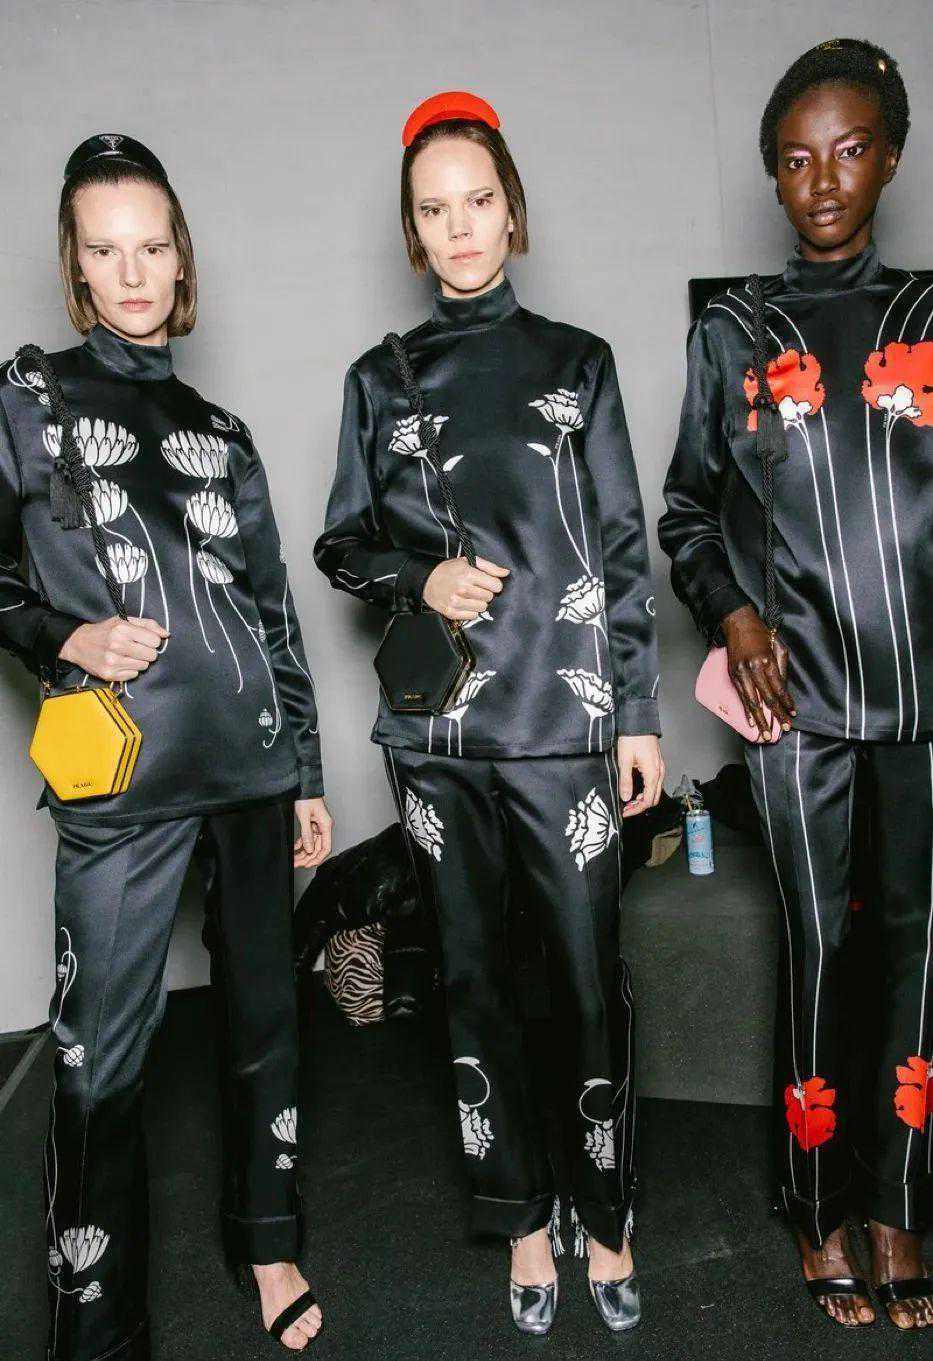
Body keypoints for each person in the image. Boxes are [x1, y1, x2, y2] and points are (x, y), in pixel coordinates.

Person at [315, 91, 663, 1336]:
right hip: (441, 741)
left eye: (477, 202)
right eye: (434, 210)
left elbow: (621, 544)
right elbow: (341, 543)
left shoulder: (580, 362)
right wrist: (419, 577)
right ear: (412, 232)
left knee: (585, 979)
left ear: (512, 210)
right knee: (473, 979)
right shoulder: (379, 379)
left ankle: (606, 1211)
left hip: (566, 725)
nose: (459, 228)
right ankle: (521, 1216)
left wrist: (637, 711)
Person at [0, 134, 332, 1358]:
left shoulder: (219, 428)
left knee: (265, 1025)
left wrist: (304, 771)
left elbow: (273, 609)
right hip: (122, 783)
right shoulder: (25, 399)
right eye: (107, 251)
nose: (133, 273)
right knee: (98, 1058)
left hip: (249, 768)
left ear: (180, 258)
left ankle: (270, 1239)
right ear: (76, 265)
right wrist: (68, 635)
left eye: (152, 247)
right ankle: (97, 1323)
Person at [659, 39, 932, 1331]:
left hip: (924, 696)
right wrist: (733, 613)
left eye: (848, 150)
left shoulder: (928, 318)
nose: (822, 180)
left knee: (918, 950)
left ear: (890, 157)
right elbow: (684, 513)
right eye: (795, 158)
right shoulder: (733, 331)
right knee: (819, 945)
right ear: (772, 175)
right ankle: (819, 1204)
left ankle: (899, 1203)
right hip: (792, 703)